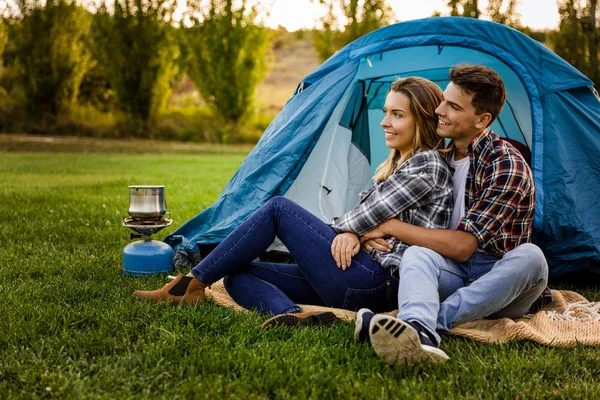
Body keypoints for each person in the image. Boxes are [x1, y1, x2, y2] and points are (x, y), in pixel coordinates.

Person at [132, 77, 453, 328]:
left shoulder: (427, 164)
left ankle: (187, 285)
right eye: (385, 112)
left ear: (423, 120)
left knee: (279, 209)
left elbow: (359, 218)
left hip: (378, 281)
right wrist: (363, 231)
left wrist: (360, 231)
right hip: (361, 277)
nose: (384, 122)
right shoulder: (399, 163)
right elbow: (365, 220)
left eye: (397, 115)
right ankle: (293, 316)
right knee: (237, 274)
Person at [354, 64, 549, 364]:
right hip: (454, 273)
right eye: (443, 100)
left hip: (499, 280)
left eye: (453, 107)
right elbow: (410, 222)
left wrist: (389, 226)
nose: (438, 111)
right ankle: (419, 329)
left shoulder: (505, 164)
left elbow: (463, 247)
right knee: (417, 254)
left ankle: (421, 325)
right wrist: (367, 236)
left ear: (482, 120)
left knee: (533, 258)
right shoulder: (438, 160)